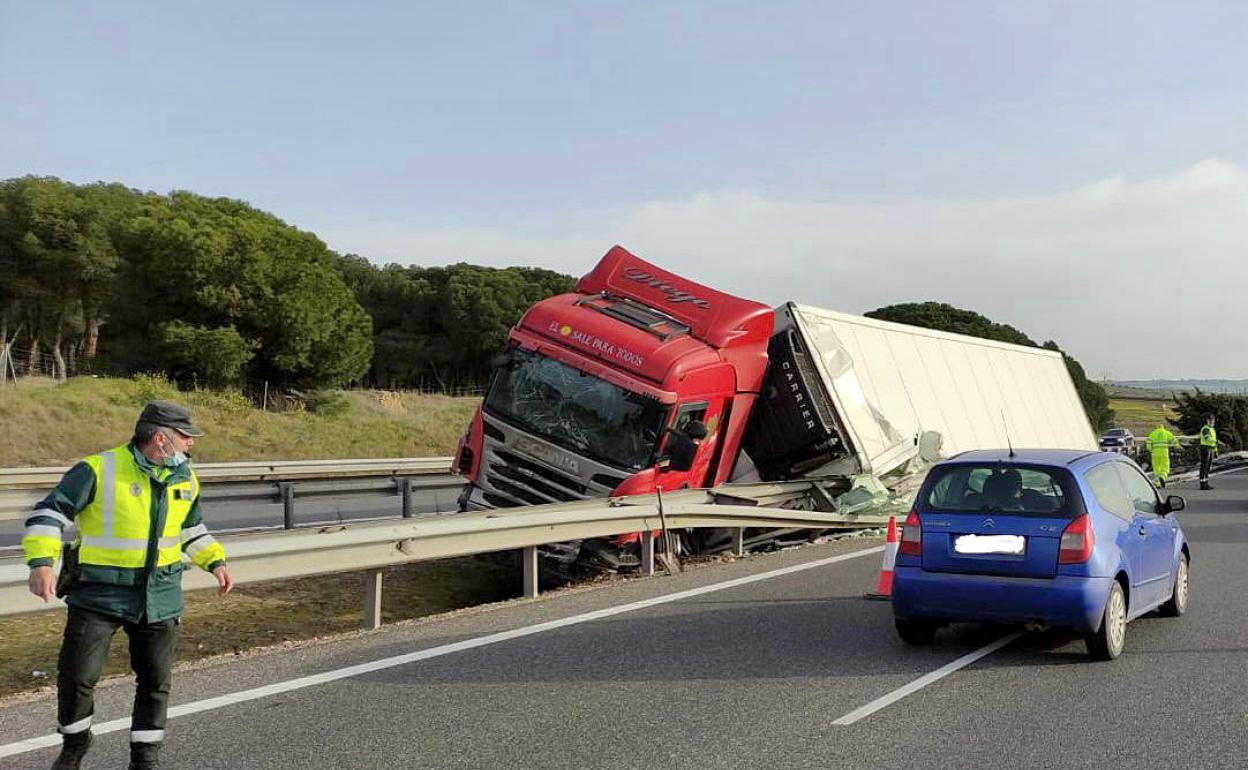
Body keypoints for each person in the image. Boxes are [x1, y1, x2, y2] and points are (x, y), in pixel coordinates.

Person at [23, 401, 232, 770]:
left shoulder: (184, 477)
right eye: (186, 437)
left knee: (155, 682)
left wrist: (215, 561)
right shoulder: (99, 469)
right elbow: (48, 513)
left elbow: (191, 529)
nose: (191, 445)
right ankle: (74, 744)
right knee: (76, 677)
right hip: (98, 595)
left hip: (161, 595)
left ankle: (145, 758)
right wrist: (41, 563)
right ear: (160, 439)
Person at [1146, 423, 1180, 488]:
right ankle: (1162, 477)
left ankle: (1157, 483)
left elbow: (1148, 444)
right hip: (1164, 453)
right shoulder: (1166, 433)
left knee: (1156, 469)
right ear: (1163, 427)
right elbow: (1174, 440)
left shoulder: (1152, 433)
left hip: (1155, 454)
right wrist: (1177, 446)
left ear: (1156, 427)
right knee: (1165, 468)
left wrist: (1151, 450)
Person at [1199, 414, 1218, 490]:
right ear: (1207, 421)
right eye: (1211, 420)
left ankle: (1206, 483)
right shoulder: (1205, 429)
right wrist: (1215, 441)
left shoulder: (1212, 429)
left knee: (1208, 467)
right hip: (1205, 449)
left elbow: (1213, 443)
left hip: (1211, 449)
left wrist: (1216, 451)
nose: (1213, 422)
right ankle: (1202, 484)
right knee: (1204, 466)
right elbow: (1207, 438)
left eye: (1213, 420)